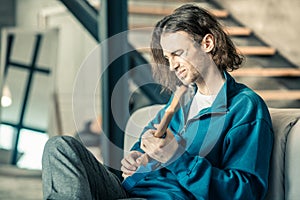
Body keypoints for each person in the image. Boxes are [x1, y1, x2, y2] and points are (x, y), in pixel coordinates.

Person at [42, 4, 273, 200]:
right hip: (128, 190)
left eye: (178, 53)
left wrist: (177, 157)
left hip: (166, 196)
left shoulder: (245, 107)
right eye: (167, 57)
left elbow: (245, 191)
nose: (172, 66)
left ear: (207, 43)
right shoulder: (181, 100)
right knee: (60, 147)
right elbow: (143, 148)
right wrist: (135, 158)